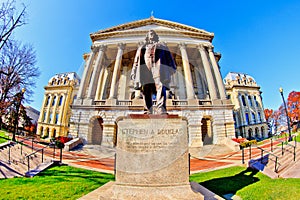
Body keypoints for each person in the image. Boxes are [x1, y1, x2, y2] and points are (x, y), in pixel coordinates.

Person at [131, 30, 176, 114]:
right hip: (145, 69)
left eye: (153, 34)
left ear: (155, 36)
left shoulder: (162, 46)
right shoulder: (142, 47)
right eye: (150, 34)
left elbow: (169, 57)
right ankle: (148, 110)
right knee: (146, 89)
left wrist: (172, 67)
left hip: (158, 67)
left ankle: (161, 108)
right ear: (147, 36)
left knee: (160, 86)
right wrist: (134, 71)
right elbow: (136, 61)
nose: (151, 35)